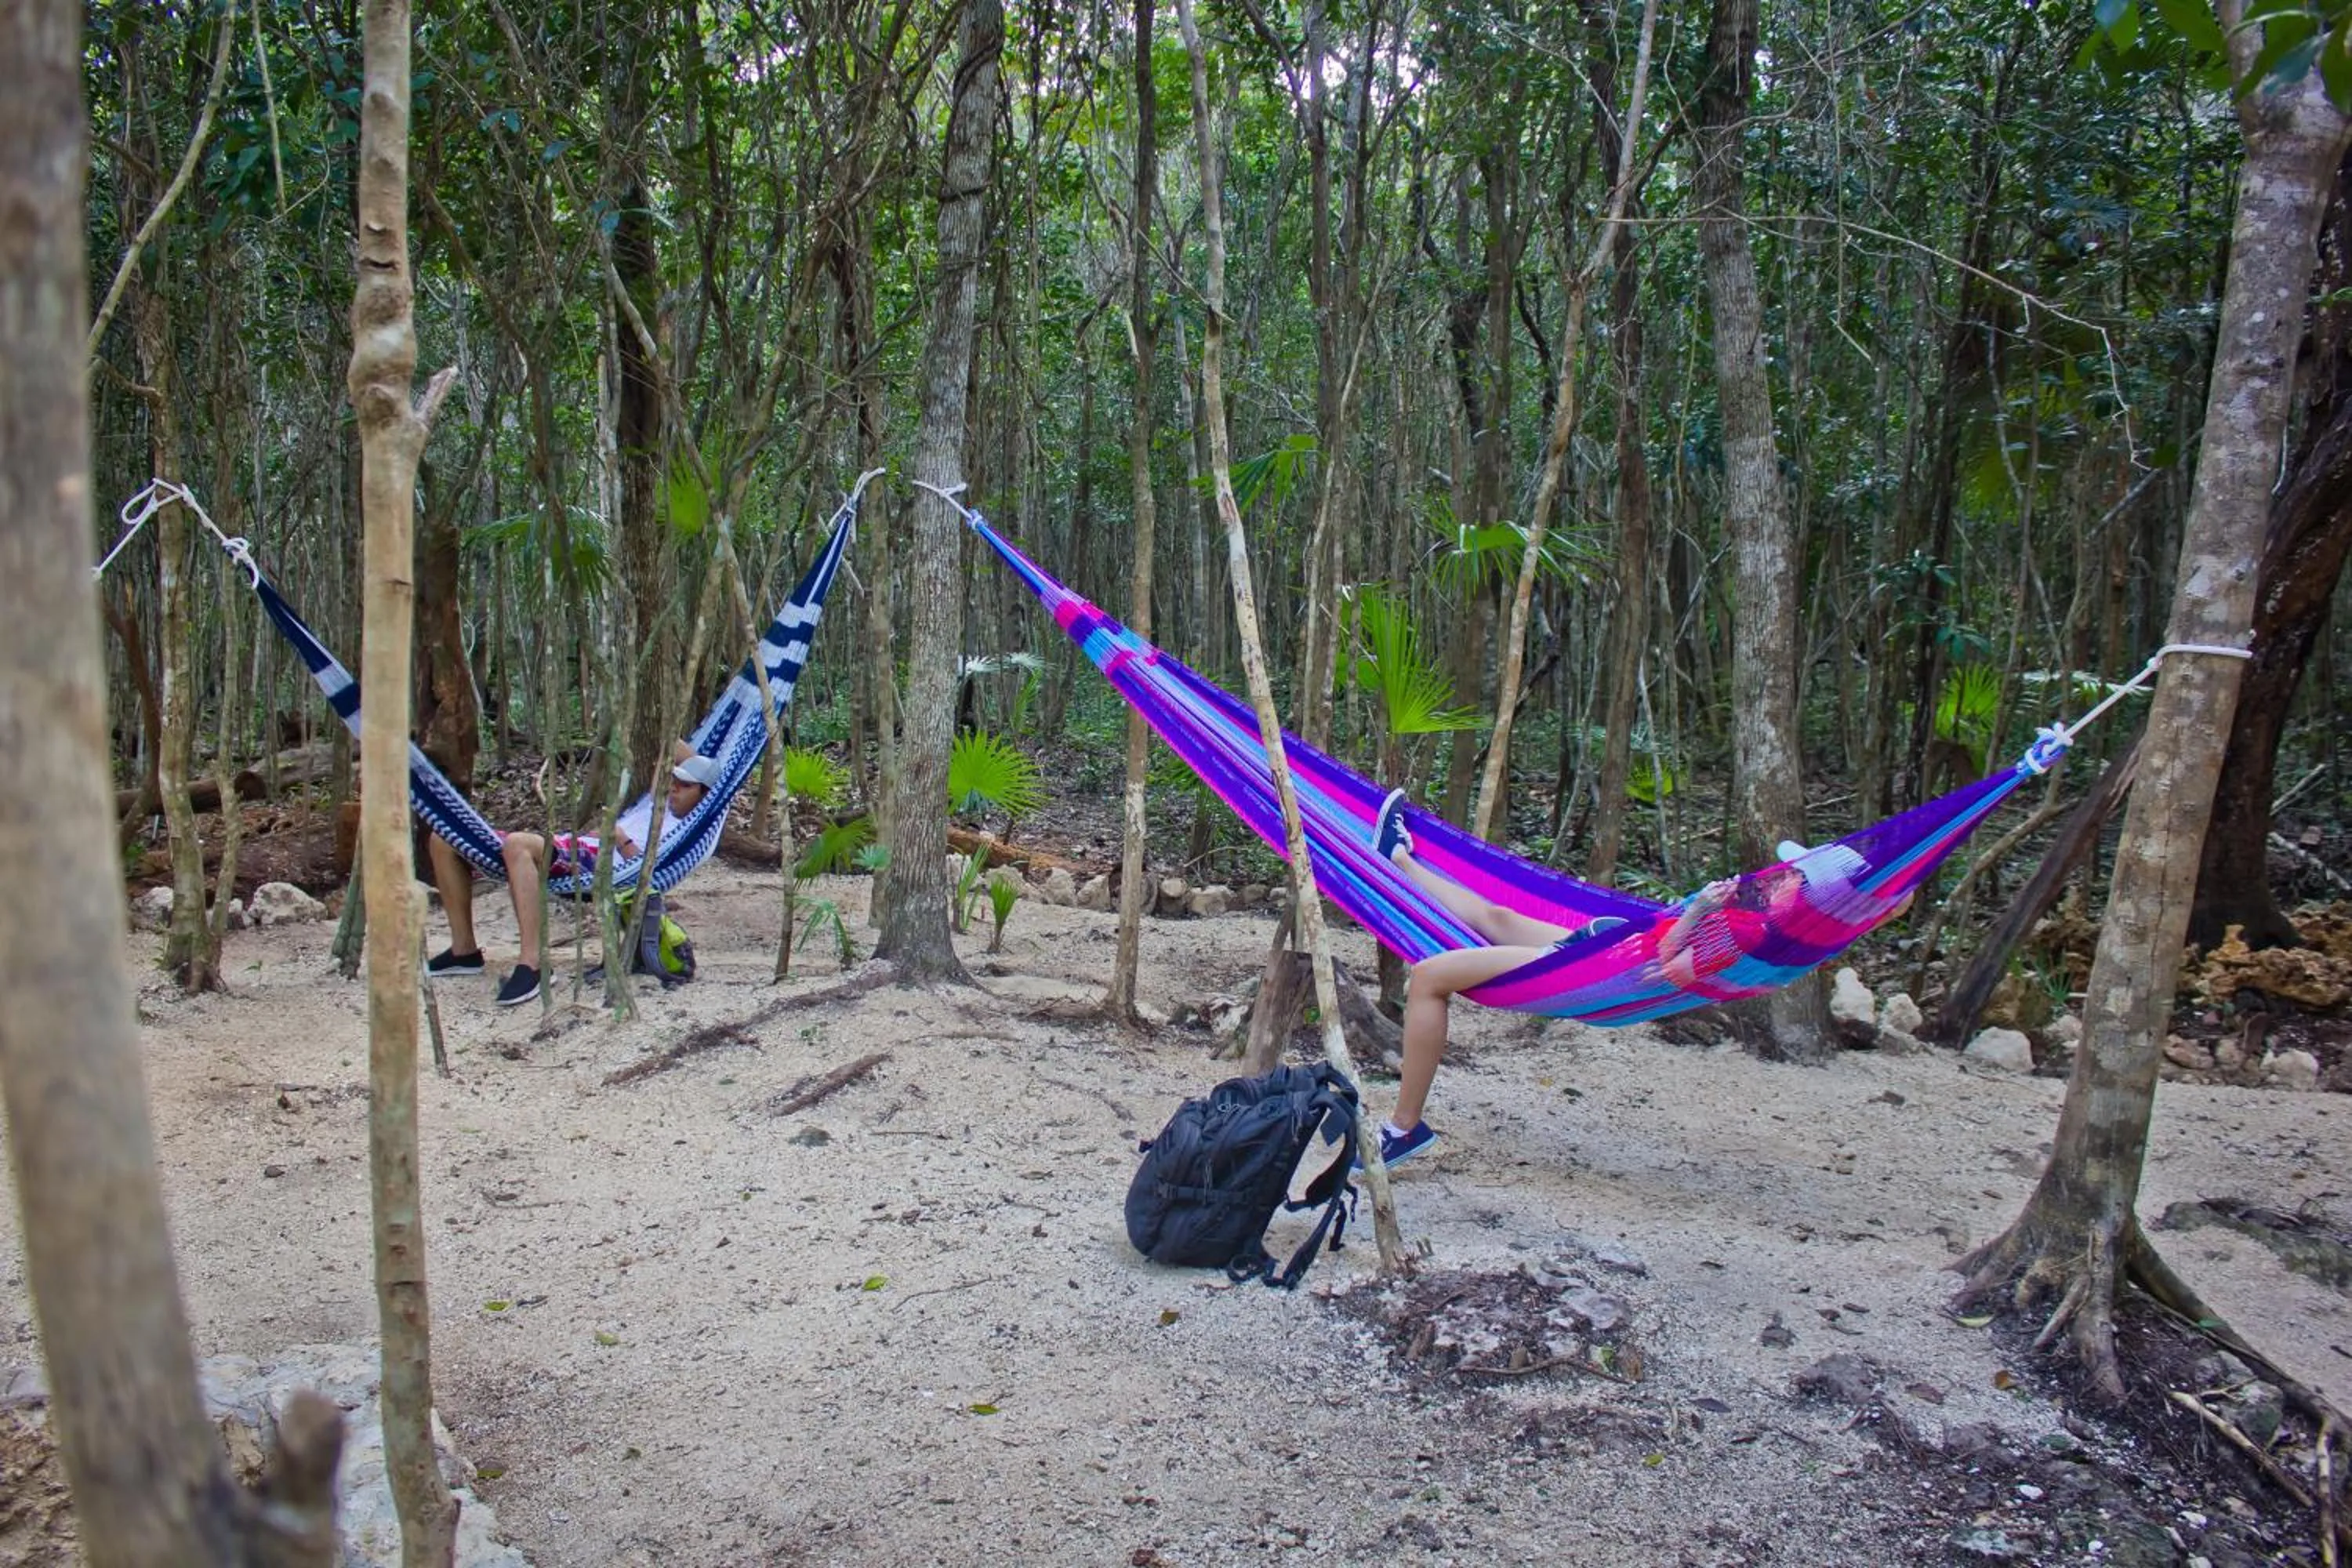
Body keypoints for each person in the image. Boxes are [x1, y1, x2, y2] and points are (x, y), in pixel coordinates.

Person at [1368, 789, 1628, 1171]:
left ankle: (1404, 1128)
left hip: (1593, 967)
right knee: (1497, 918)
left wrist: (1698, 918)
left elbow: (1689, 966)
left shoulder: (1733, 939)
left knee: (1427, 978)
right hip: (1596, 945)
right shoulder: (1725, 911)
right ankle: (1398, 858)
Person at [426, 742, 722, 1007]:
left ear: (706, 796)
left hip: (604, 863)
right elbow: (668, 744)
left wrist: (621, 839)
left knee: (518, 845)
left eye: (686, 786)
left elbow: (644, 872)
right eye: (675, 781)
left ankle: (533, 965)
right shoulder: (659, 804)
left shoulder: (690, 826)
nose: (674, 789)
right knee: (444, 839)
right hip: (575, 846)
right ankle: (464, 951)